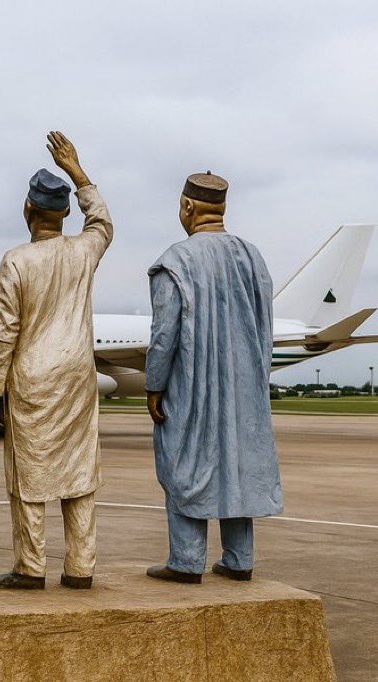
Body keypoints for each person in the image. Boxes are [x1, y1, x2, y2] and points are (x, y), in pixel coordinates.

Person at [0, 132, 113, 591]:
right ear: (64, 214)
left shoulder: (16, 261)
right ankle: (80, 566)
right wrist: (77, 169)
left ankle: (30, 566)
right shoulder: (84, 250)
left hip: (32, 379)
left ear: (27, 211)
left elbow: (4, 332)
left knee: (30, 474)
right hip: (77, 378)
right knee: (79, 472)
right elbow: (103, 221)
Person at [145, 172, 283, 584]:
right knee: (236, 462)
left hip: (193, 384)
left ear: (187, 207)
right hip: (245, 385)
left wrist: (155, 384)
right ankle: (239, 559)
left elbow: (164, 334)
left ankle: (186, 561)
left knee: (184, 461)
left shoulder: (176, 260)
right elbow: (265, 326)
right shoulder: (252, 257)